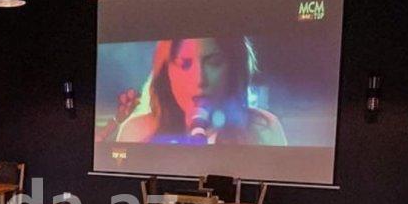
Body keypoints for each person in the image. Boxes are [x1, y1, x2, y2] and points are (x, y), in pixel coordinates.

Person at [106, 37, 286, 145]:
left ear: (233, 67)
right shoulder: (136, 132)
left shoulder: (264, 129)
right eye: (184, 64)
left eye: (214, 62)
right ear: (166, 73)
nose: (199, 79)